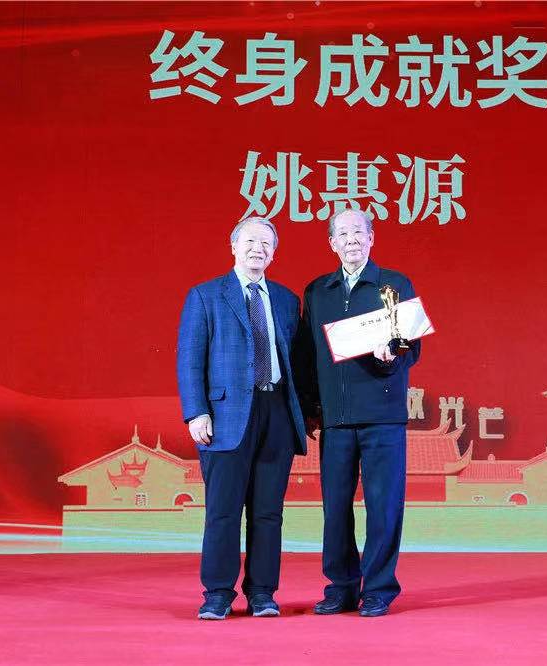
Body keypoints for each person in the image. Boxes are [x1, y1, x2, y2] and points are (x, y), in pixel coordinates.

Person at [176, 217, 307, 620]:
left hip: (276, 412)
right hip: (225, 416)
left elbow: (298, 362)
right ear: (233, 246)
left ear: (274, 253)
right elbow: (189, 358)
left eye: (266, 243)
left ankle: (263, 593)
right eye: (250, 241)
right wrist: (196, 411)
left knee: (268, 512)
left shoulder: (286, 300)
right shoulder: (206, 295)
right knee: (223, 511)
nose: (257, 249)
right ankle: (217, 594)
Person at [297, 209, 421, 618]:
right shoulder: (318, 291)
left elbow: (412, 347)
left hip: (382, 416)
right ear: (332, 243)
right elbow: (308, 354)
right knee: (335, 507)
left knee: (384, 506)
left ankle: (379, 589)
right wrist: (312, 409)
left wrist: (391, 356)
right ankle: (341, 587)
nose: (351, 240)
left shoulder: (395, 284)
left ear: (371, 238)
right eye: (343, 234)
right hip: (336, 419)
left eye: (358, 232)